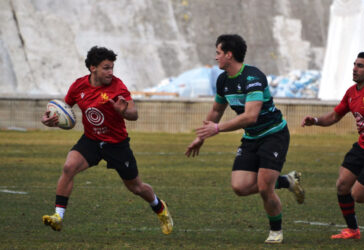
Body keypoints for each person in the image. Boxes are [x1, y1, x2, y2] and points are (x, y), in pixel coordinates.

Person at [185, 34, 305, 244]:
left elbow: (251, 116)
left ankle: (276, 231)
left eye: (218, 53)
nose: (216, 57)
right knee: (240, 187)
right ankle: (287, 181)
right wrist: (201, 136)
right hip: (251, 138)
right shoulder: (223, 80)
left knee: (264, 188)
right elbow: (216, 110)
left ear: (229, 55)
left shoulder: (253, 77)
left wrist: (218, 129)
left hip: (273, 135)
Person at [41, 46, 173, 234]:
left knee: (136, 187)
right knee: (69, 167)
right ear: (93, 68)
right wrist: (50, 120)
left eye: (112, 68)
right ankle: (58, 216)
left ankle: (160, 208)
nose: (110, 72)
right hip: (91, 140)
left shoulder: (117, 87)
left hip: (116, 143)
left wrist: (124, 111)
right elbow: (63, 111)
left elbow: (134, 114)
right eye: (106, 68)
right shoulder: (79, 86)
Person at [302, 52, 364, 239]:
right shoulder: (351, 92)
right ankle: (353, 231)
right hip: (362, 148)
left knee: (359, 195)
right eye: (355, 64)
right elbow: (333, 116)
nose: (355, 68)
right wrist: (314, 120)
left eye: (360, 66)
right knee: (342, 186)